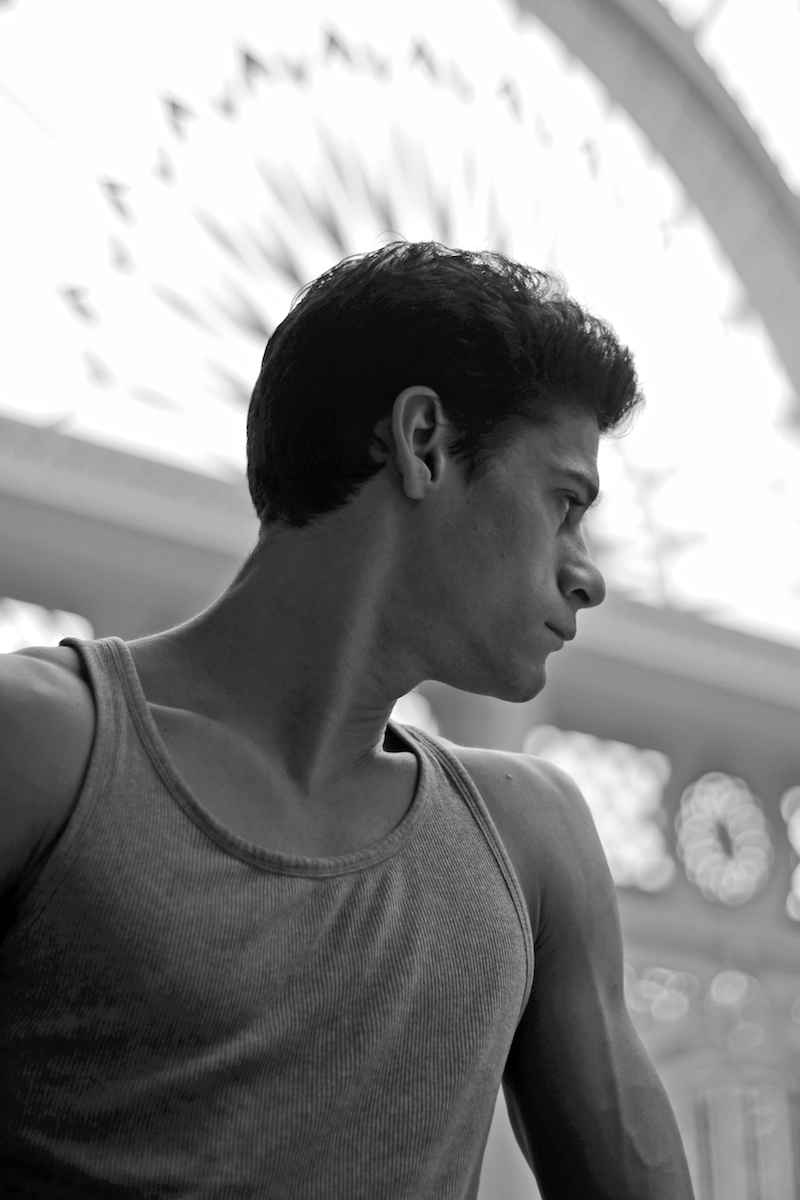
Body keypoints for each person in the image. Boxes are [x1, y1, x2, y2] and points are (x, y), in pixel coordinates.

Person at [0, 241, 695, 1198]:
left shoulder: (533, 842)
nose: (589, 575)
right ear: (424, 443)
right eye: (565, 502)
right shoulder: (41, 748)